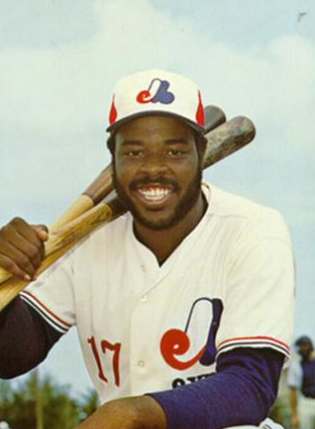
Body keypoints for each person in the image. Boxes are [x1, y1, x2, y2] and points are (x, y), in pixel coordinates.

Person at [0, 69, 295, 429]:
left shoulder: (253, 230)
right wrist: (5, 279)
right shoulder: (83, 239)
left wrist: (131, 413)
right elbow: (12, 357)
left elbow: (250, 387)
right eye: (135, 152)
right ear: (114, 160)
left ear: (202, 153)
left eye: (174, 151)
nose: (154, 168)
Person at [288, 336, 315, 429]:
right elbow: (293, 392)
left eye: (303, 346)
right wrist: (294, 415)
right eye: (299, 347)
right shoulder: (296, 366)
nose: (300, 349)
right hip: (306, 403)